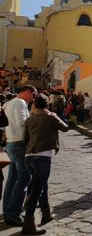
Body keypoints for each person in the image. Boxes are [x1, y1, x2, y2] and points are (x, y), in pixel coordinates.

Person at [22, 94, 69, 235]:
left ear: (35, 105)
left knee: (42, 186)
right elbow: (65, 127)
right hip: (43, 156)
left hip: (30, 156)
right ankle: (28, 224)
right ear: (47, 104)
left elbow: (26, 139)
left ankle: (46, 213)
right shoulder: (50, 116)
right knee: (36, 192)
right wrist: (54, 115)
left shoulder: (30, 119)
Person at [3, 84, 37, 226]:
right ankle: (13, 214)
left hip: (11, 143)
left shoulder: (8, 103)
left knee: (12, 178)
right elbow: (22, 123)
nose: (33, 98)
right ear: (27, 92)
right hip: (18, 144)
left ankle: (7, 211)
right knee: (24, 177)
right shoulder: (20, 102)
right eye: (33, 94)